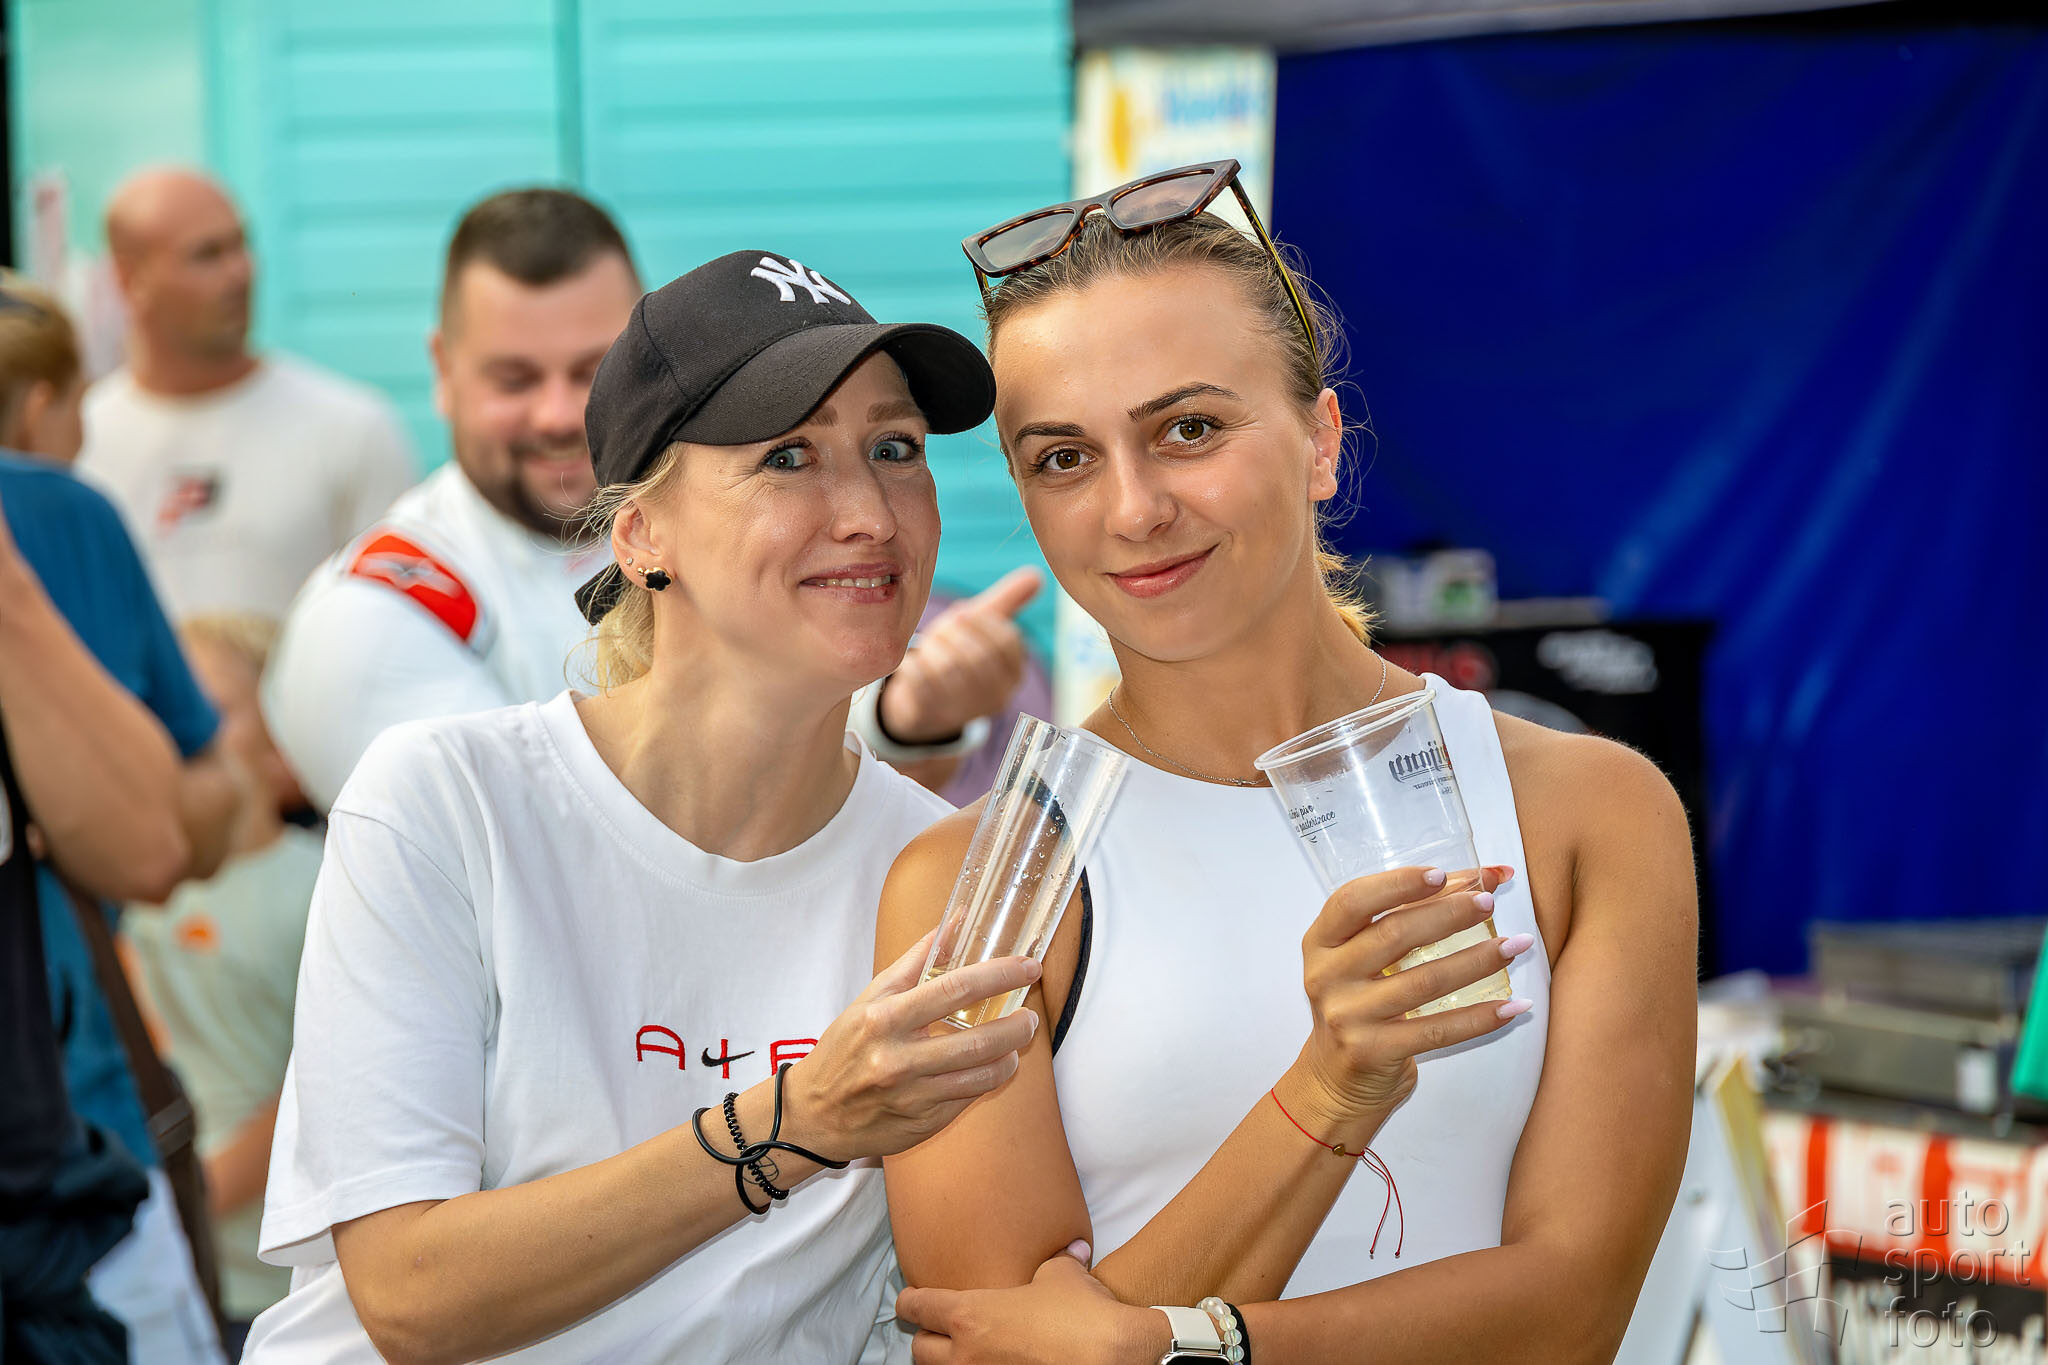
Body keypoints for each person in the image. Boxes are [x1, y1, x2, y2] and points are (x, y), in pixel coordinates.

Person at [879, 163, 1699, 1362]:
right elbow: (999, 1350)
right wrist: (1327, 1089)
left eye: (1188, 430)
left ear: (1319, 442)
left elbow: (1571, 1312)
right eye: (1062, 458)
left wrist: (1176, 1343)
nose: (1133, 509)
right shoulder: (977, 889)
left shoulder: (1585, 812)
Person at [243, 249, 1042, 1363]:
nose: (869, 512)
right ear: (639, 536)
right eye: (788, 456)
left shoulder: (944, 880)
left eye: (894, 448)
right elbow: (410, 1295)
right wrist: (797, 1122)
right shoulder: (446, 804)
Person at [264, 187, 1040, 813]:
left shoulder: (740, 535)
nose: (561, 414)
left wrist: (904, 718)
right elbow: (558, 854)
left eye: (594, 371)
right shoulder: (373, 616)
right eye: (515, 379)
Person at [1, 279, 237, 1364]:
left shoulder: (49, 523)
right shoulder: (63, 515)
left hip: (62, 1148)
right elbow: (187, 817)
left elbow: (168, 830)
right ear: (44, 401)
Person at [77, 166, 417, 619]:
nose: (240, 272)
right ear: (127, 278)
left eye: (241, 245)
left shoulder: (352, 427)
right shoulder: (80, 441)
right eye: (207, 255)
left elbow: (397, 625)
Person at [121, 613, 323, 1356]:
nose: (181, 732)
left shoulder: (320, 883)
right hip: (172, 1264)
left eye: (210, 709)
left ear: (282, 735)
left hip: (275, 1279)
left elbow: (318, 1080)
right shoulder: (138, 886)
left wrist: (197, 1195)